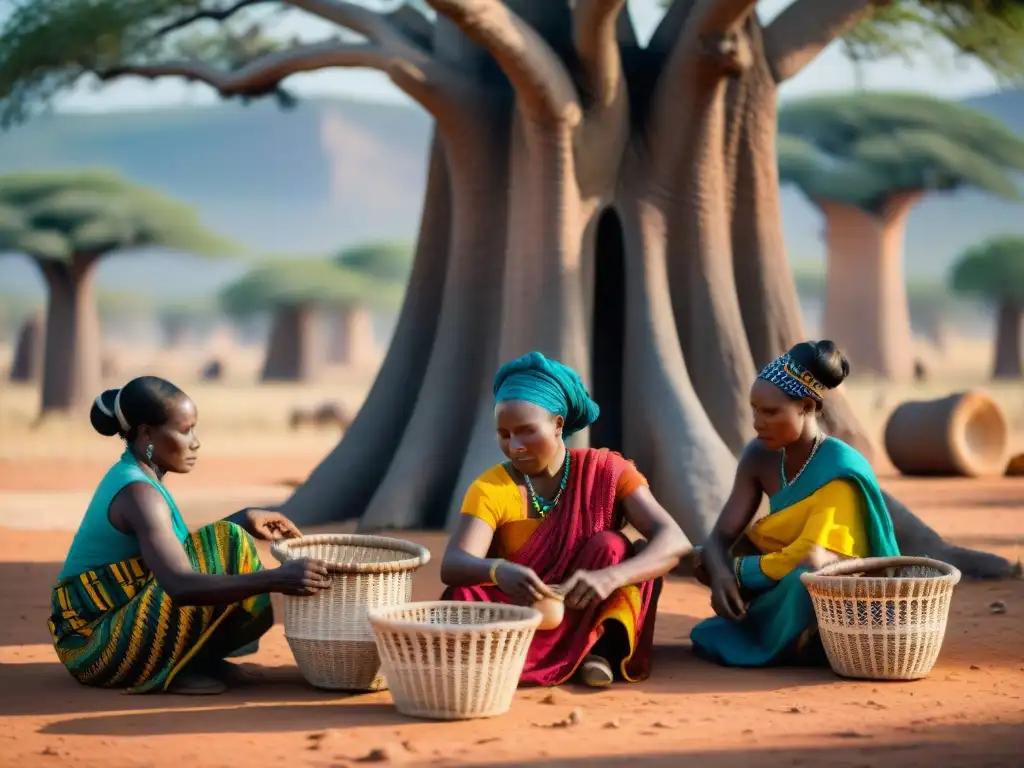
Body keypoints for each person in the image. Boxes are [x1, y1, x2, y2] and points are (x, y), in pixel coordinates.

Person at [48, 376, 330, 695]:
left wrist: (245, 518)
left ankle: (190, 659)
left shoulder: (142, 479)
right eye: (184, 431)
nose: (195, 442)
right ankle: (171, 667)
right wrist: (276, 579)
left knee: (230, 538)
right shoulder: (139, 493)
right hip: (93, 650)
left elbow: (177, 550)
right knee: (227, 542)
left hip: (112, 628)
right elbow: (180, 585)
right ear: (146, 433)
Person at [440, 351, 689, 688]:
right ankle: (535, 658)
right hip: (521, 613)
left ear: (558, 425)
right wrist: (499, 570)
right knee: (463, 591)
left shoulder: (607, 471)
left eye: (526, 431)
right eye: (504, 434)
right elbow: (454, 563)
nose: (514, 446)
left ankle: (601, 652)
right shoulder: (491, 487)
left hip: (585, 604)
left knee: (617, 547)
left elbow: (674, 540)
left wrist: (609, 578)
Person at [689, 340, 900, 667]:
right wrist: (721, 579)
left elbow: (814, 556)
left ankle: (800, 639)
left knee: (806, 580)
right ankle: (780, 635)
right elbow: (720, 538)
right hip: (779, 575)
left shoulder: (841, 467)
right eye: (755, 410)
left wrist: (738, 572)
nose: (758, 422)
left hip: (832, 590)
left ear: (805, 406)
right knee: (703, 559)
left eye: (771, 412)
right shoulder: (759, 456)